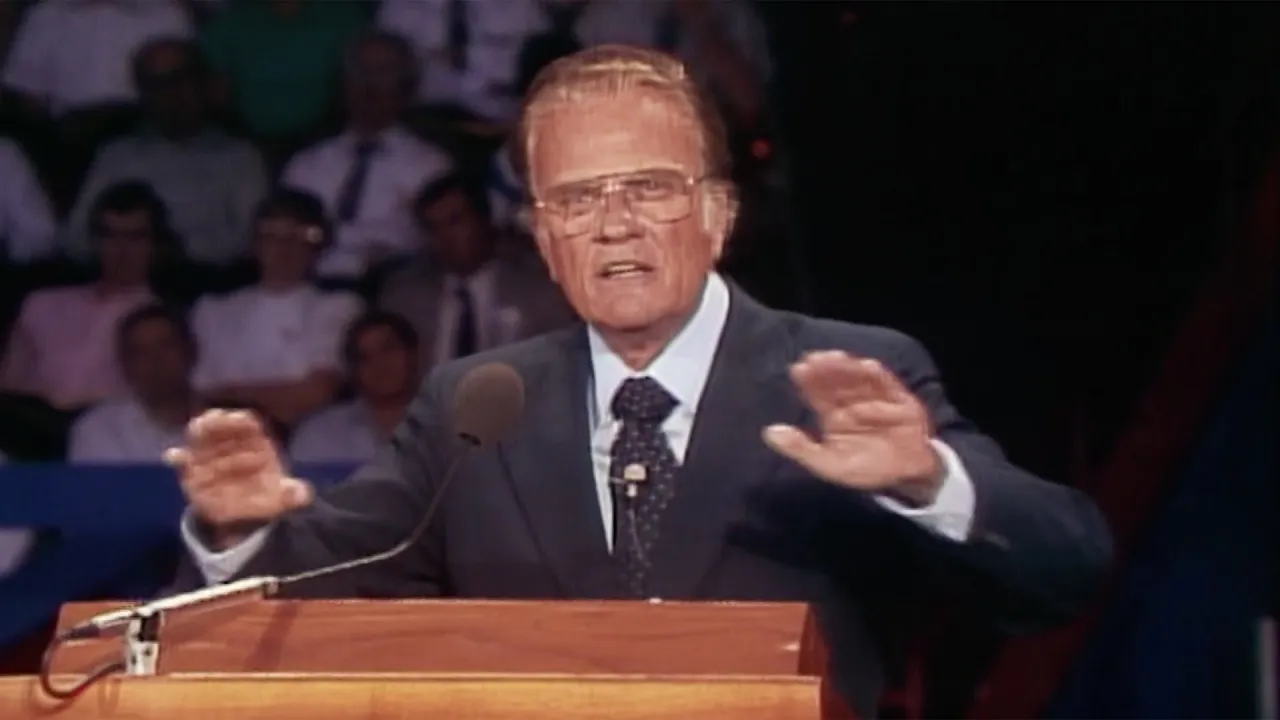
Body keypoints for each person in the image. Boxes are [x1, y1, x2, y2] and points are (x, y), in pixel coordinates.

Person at [166, 45, 1110, 715]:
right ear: (544, 239)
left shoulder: (847, 380)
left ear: (718, 215)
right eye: (577, 199)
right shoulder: (478, 405)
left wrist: (928, 480)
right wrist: (238, 532)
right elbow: (312, 582)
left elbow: (1066, 569)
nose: (614, 223)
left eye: (650, 187)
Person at [378, 172, 575, 370]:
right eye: (433, 228)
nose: (445, 238)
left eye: (455, 222)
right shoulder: (403, 298)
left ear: (483, 220)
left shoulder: (539, 292)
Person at [68, 304, 201, 463]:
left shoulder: (223, 422)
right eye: (140, 353)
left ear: (190, 351)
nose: (156, 361)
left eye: (166, 346)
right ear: (125, 364)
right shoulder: (99, 428)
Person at [288, 311, 420, 465]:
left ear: (412, 354)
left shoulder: (441, 425)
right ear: (353, 371)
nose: (379, 364)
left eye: (388, 349)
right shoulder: (317, 432)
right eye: (365, 358)